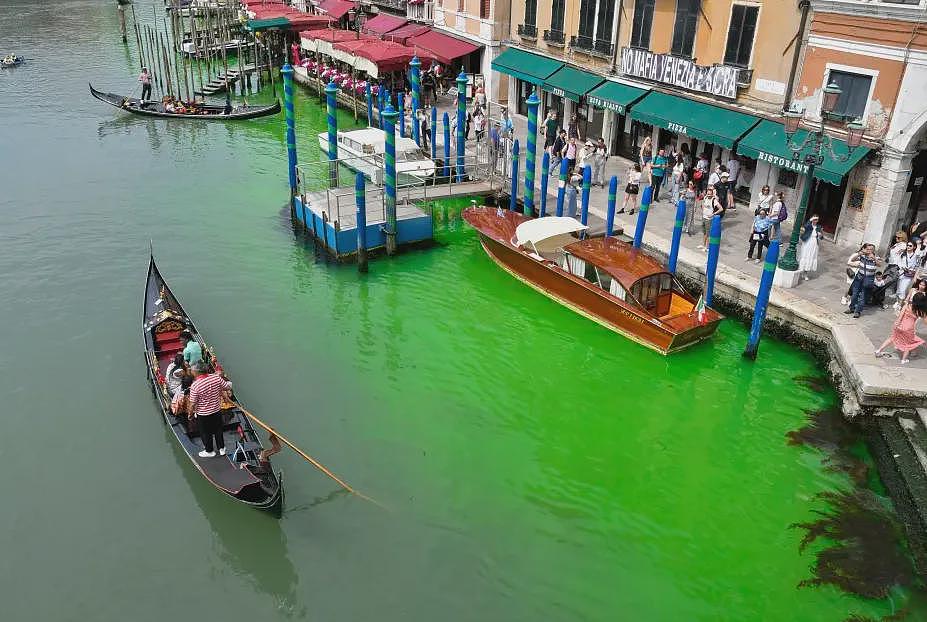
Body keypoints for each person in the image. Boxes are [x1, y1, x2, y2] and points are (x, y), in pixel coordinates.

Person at [188, 360, 232, 458]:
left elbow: (192, 404)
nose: (191, 371)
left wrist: (190, 414)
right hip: (216, 410)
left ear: (196, 372)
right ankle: (222, 449)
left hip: (203, 414)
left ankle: (209, 451)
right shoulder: (216, 378)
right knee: (218, 430)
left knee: (205, 432)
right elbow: (227, 387)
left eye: (191, 370)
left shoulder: (195, 385)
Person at [874, 292, 927, 364]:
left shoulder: (907, 305)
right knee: (907, 344)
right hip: (909, 328)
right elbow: (925, 320)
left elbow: (900, 315)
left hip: (899, 325)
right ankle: (903, 359)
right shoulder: (920, 311)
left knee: (892, 338)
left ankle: (878, 350)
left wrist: (897, 323)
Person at [845, 243, 881, 318]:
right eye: (868, 249)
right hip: (859, 277)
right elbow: (852, 259)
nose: (869, 251)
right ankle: (851, 308)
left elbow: (879, 264)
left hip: (868, 278)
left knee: (863, 296)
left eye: (871, 249)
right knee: (854, 294)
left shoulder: (876, 257)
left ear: (874, 250)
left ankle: (858, 311)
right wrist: (859, 254)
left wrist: (874, 258)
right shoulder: (862, 256)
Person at [798, 214, 823, 279]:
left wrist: (820, 235)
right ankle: (801, 271)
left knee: (811, 257)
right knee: (805, 255)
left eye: (816, 219)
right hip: (807, 242)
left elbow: (822, 237)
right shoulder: (809, 225)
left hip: (814, 243)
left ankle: (805, 273)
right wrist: (810, 220)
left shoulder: (819, 227)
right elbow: (805, 226)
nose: (815, 221)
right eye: (814, 219)